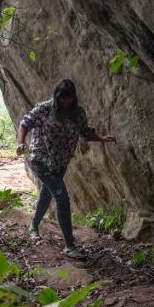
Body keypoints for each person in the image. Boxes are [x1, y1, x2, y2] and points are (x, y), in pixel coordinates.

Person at [16, 78, 116, 258]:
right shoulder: (44, 109)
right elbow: (25, 123)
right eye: (62, 98)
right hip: (40, 159)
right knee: (62, 197)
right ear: (57, 96)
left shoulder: (78, 113)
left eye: (69, 99)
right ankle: (69, 245)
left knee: (46, 194)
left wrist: (101, 138)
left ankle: (33, 226)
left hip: (60, 162)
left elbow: (85, 131)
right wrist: (21, 142)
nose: (65, 102)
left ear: (73, 98)